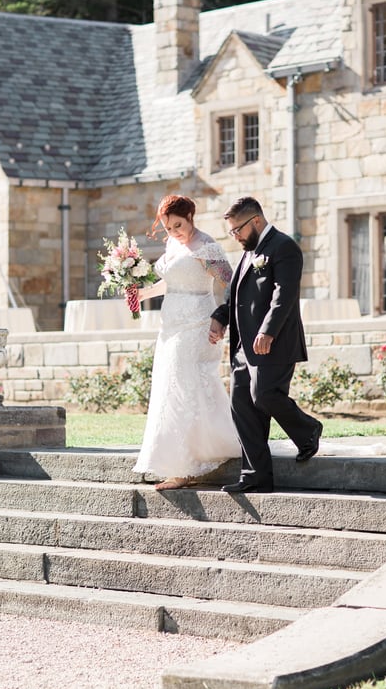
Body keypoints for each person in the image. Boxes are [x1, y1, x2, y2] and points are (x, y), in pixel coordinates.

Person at [209, 196, 322, 493]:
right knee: (241, 406)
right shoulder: (249, 253)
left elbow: (283, 295)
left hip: (275, 343)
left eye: (237, 230)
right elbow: (234, 296)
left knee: (265, 395)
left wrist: (268, 331)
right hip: (243, 347)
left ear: (256, 221)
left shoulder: (284, 247)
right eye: (231, 232)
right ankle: (255, 476)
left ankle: (309, 429)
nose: (235, 237)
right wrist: (220, 318)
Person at [133, 194, 241, 490]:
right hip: (170, 325)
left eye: (178, 225)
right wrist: (142, 295)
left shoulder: (206, 245)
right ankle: (193, 453)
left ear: (191, 217)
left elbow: (231, 281)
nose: (174, 233)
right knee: (169, 384)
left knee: (184, 386)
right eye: (168, 228)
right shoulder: (173, 244)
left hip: (197, 325)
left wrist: (223, 318)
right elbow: (172, 282)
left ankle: (183, 468)